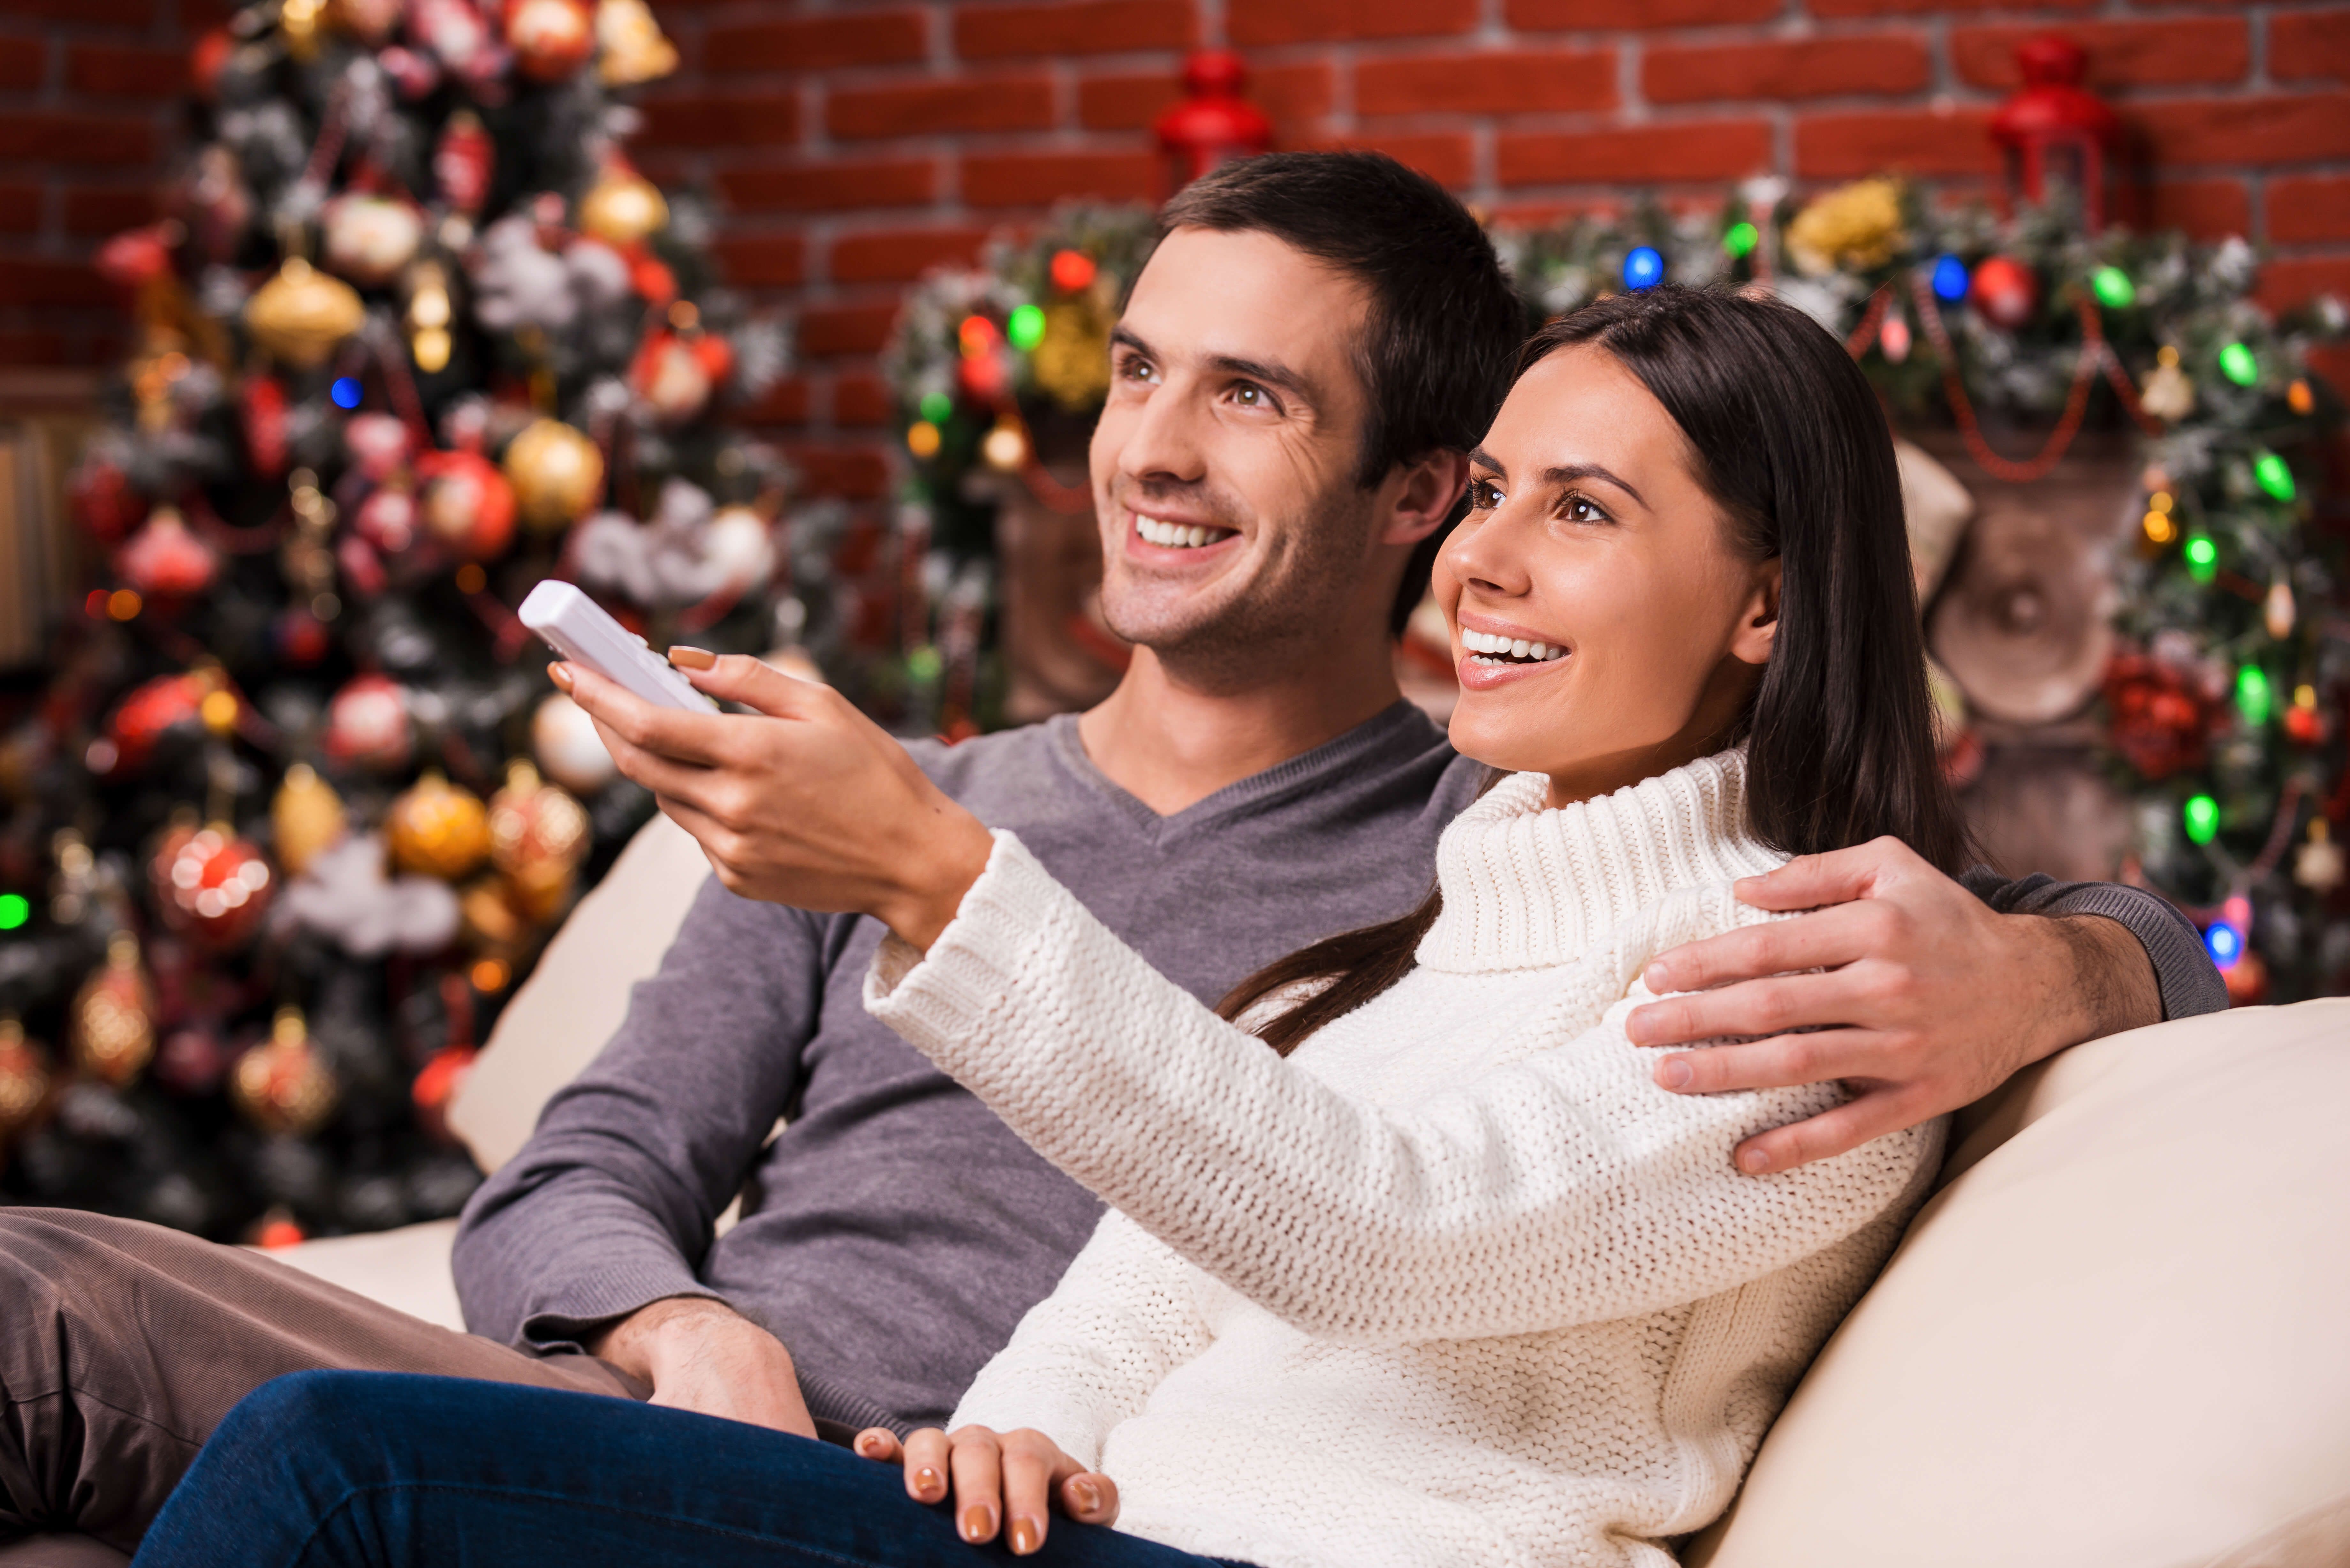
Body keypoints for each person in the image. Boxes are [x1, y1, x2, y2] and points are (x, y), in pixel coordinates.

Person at [2, 154, 2217, 1562]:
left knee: (313, 1470)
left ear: (1400, 488)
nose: (1151, 441)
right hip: (790, 1442)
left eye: (1247, 396)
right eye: (1140, 370)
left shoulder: (1579, 886)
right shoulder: (1362, 906)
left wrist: (2068, 978)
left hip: (943, 1505)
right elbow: (613, 1169)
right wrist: (716, 1343)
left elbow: (1918, 930)